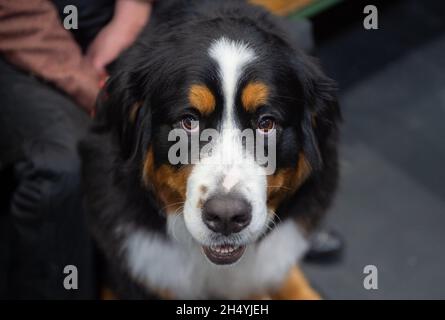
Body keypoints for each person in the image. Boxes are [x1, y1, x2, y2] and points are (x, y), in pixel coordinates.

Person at [0, 0, 153, 299]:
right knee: (65, 165)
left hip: (112, 15)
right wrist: (92, 87)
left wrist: (132, 13)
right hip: (20, 33)